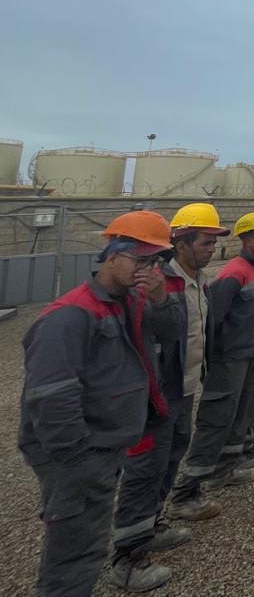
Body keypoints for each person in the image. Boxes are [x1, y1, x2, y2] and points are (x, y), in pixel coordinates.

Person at [20, 211, 180, 596]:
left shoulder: (132, 300)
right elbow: (51, 397)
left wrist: (160, 297)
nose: (149, 269)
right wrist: (78, 463)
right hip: (77, 453)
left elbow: (171, 333)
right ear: (112, 256)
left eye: (155, 261)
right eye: (141, 260)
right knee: (75, 554)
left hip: (105, 444)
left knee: (87, 544)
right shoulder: (71, 316)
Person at [111, 205, 227, 591]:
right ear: (181, 244)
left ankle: (154, 521)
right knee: (144, 469)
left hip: (188, 385)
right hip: (160, 393)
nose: (212, 249)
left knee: (172, 456)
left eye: (214, 243)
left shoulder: (199, 281)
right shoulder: (159, 283)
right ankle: (126, 554)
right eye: (206, 242)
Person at [171, 213, 254, 506]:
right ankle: (190, 487)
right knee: (218, 417)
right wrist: (213, 363)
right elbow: (213, 321)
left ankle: (229, 464)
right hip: (230, 358)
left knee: (240, 411)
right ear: (247, 239)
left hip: (252, 352)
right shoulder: (233, 274)